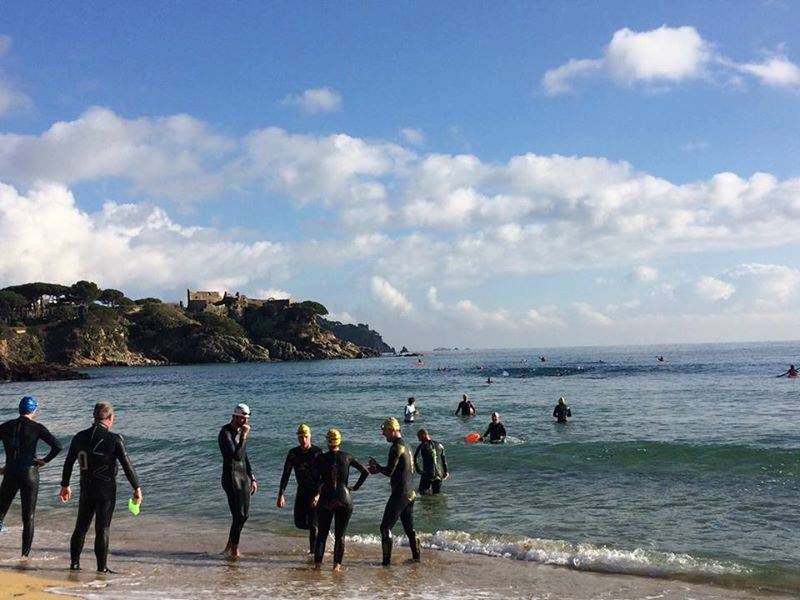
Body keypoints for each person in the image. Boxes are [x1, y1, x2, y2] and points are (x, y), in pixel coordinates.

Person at [60, 402, 141, 573]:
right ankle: (101, 568)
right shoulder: (114, 439)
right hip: (106, 491)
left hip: (86, 489)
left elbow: (68, 463)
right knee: (102, 528)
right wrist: (137, 487)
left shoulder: (79, 437)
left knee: (81, 527)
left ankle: (74, 564)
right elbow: (127, 465)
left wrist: (65, 485)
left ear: (94, 416)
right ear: (110, 418)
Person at [0, 396, 62, 557]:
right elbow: (58, 446)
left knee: (0, 512)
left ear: (19, 409)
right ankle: (24, 556)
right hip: (29, 473)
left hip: (11, 472)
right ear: (34, 410)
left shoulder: (5, 427)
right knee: (28, 517)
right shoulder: (37, 427)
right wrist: (44, 461)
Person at [311, 428, 368, 571]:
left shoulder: (320, 458)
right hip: (344, 499)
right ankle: (336, 567)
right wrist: (354, 487)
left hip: (326, 500)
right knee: (340, 536)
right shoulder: (347, 456)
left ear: (327, 441)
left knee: (322, 535)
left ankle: (318, 566)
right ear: (339, 441)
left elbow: (314, 478)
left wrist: (318, 491)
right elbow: (365, 472)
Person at [368, 418, 420, 566]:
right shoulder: (408, 445)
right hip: (411, 492)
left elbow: (389, 472)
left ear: (392, 430)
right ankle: (417, 559)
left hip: (400, 493)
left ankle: (386, 563)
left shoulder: (396, 447)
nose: (383, 434)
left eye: (385, 431)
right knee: (410, 529)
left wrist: (377, 467)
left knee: (385, 527)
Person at [218, 403, 257, 559]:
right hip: (231, 478)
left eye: (246, 419)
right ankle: (234, 550)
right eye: (243, 418)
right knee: (239, 515)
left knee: (243, 515)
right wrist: (244, 436)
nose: (245, 422)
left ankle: (230, 545)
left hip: (242, 478)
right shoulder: (225, 433)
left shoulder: (239, 432)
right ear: (235, 416)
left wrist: (252, 476)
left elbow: (244, 456)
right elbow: (236, 456)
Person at [277, 424, 322, 556]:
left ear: (310, 436)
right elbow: (286, 474)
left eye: (306, 437)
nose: (303, 440)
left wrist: (318, 495)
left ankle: (313, 554)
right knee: (299, 523)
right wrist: (281, 494)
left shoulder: (317, 453)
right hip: (302, 491)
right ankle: (320, 531)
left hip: (315, 493)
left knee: (313, 525)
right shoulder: (293, 453)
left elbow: (324, 477)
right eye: (301, 437)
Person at [414, 429, 449, 495]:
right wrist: (446, 471)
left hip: (427, 474)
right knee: (436, 495)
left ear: (423, 435)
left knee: (422, 493)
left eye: (419, 437)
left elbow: (415, 458)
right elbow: (444, 459)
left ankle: (426, 505)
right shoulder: (440, 445)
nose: (418, 439)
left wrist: (419, 470)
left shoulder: (422, 446)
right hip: (439, 474)